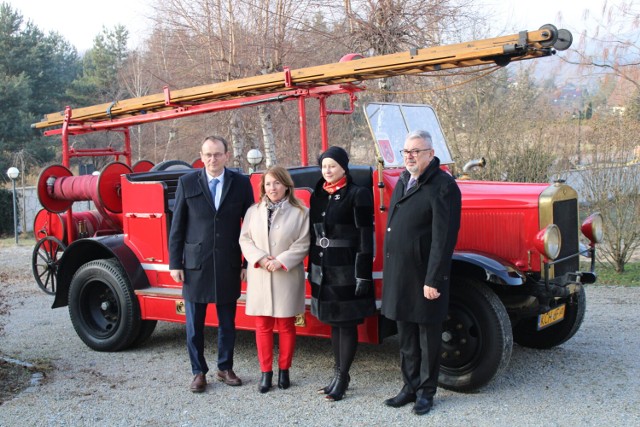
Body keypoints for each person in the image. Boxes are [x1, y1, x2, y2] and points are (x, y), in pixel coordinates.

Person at [381, 130, 461, 415]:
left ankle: (426, 393)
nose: (409, 156)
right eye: (405, 152)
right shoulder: (405, 180)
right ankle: (409, 387)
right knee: (406, 338)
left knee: (428, 338)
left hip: (425, 277)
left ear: (430, 153)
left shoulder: (443, 186)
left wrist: (434, 279)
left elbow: (444, 237)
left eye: (415, 151)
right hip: (401, 274)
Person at [169, 135, 254, 393]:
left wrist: (246, 263)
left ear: (226, 155)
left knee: (227, 322)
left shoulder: (240, 183)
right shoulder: (187, 182)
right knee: (194, 325)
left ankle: (225, 367)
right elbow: (178, 226)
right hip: (195, 264)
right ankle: (198, 372)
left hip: (228, 262)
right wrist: (175, 263)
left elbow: (250, 228)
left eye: (217, 154)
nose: (212, 159)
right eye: (208, 154)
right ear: (201, 155)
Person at [308, 146, 375, 402]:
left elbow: (365, 238)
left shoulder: (358, 194)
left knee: (346, 325)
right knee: (333, 324)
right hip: (323, 270)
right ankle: (336, 374)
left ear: (343, 167)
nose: (327, 171)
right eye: (324, 166)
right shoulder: (318, 194)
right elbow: (313, 234)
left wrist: (363, 275)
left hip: (347, 269)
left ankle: (343, 376)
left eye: (332, 166)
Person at [239, 166, 310, 393]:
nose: (272, 188)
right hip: (260, 274)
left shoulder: (301, 212)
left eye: (277, 183)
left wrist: (281, 260)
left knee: (286, 325)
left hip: (286, 274)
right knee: (262, 326)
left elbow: (304, 242)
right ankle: (265, 373)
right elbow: (245, 239)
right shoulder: (253, 211)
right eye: (268, 184)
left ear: (286, 185)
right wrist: (260, 258)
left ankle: (284, 370)